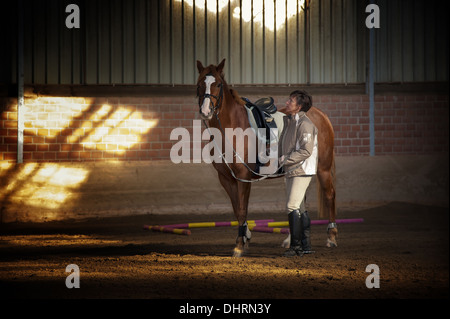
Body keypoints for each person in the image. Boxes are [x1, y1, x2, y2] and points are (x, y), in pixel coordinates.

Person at [278, 90, 318, 257]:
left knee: (291, 206)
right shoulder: (290, 122)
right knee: (300, 207)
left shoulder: (305, 124)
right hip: (293, 169)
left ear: (299, 106)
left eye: (291, 101)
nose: (287, 103)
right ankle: (305, 245)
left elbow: (306, 151)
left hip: (302, 169)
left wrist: (285, 159)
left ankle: (296, 247)